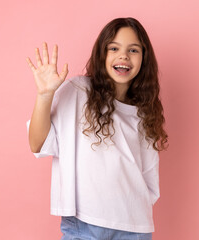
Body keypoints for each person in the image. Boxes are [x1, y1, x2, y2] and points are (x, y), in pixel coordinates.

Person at [26, 17, 168, 240]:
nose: (123, 56)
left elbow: (149, 175)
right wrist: (45, 95)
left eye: (133, 50)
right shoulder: (78, 91)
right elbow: (37, 143)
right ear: (102, 54)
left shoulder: (145, 111)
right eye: (114, 48)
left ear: (143, 59)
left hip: (135, 227)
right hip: (85, 225)